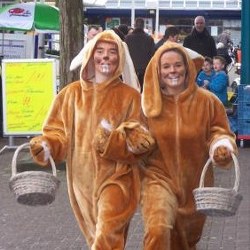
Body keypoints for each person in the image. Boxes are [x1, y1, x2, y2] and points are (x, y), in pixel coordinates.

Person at [29, 30, 155, 249]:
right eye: (100, 51)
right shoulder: (71, 94)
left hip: (118, 179)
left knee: (106, 235)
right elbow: (57, 131)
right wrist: (47, 146)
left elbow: (141, 141)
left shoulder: (130, 96)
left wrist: (113, 141)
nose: (105, 56)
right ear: (90, 55)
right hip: (81, 181)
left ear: (120, 58)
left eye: (112, 52)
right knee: (99, 238)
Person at [140, 41, 237, 249]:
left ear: (187, 67)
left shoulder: (207, 102)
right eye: (166, 66)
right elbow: (134, 133)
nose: (172, 70)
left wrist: (221, 145)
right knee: (157, 230)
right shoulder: (147, 103)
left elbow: (220, 131)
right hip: (157, 179)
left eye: (177, 65)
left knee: (187, 241)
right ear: (158, 71)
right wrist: (132, 141)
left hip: (195, 184)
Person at [125, 17, 155, 92]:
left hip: (131, 70)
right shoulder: (149, 39)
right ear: (143, 26)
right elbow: (153, 55)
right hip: (145, 70)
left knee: (132, 91)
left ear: (134, 25)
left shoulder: (128, 38)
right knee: (144, 92)